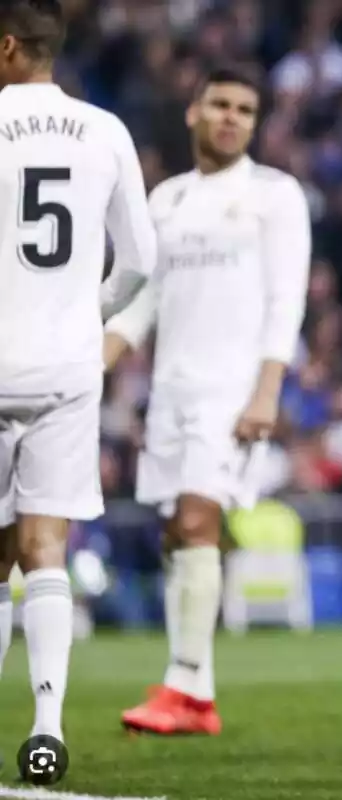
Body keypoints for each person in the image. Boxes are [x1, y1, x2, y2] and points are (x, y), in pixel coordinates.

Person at [103, 66, 312, 736]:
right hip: (171, 394)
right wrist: (93, 364)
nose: (231, 117)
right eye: (220, 104)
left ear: (254, 123)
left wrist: (268, 388)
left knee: (197, 523)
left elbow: (287, 300)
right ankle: (196, 686)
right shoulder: (164, 200)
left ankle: (185, 691)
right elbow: (145, 303)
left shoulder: (274, 196)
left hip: (232, 394)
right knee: (178, 535)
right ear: (194, 112)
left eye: (245, 109)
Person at [0, 0, 157, 759]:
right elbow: (138, 262)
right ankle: (47, 730)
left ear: (5, 47)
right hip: (67, 365)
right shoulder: (105, 130)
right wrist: (79, 312)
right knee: (47, 547)